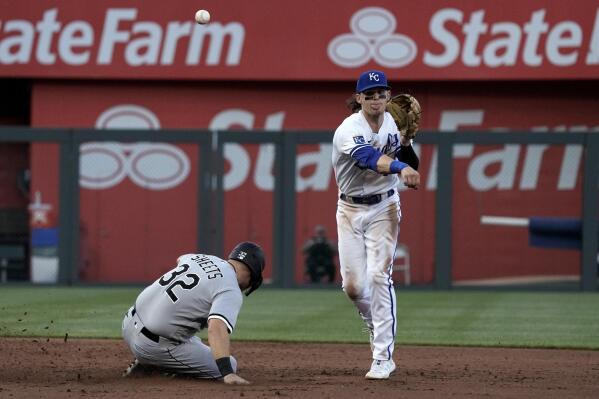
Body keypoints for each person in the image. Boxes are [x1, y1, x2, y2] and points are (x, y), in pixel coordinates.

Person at [332, 70, 420, 380]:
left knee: (379, 276)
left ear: (387, 95)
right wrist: (400, 165)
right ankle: (375, 321)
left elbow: (413, 165)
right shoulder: (348, 129)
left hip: (384, 205)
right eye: (369, 94)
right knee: (354, 288)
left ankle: (383, 356)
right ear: (358, 99)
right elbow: (369, 158)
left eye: (381, 93)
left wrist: (407, 143)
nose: (376, 99)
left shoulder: (393, 122)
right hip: (350, 209)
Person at [121, 242, 266, 385]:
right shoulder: (230, 289)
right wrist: (227, 373)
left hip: (128, 323)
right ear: (252, 274)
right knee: (230, 364)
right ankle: (154, 364)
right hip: (152, 347)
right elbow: (216, 328)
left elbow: (181, 258)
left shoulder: (201, 257)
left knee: (191, 338)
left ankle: (150, 360)